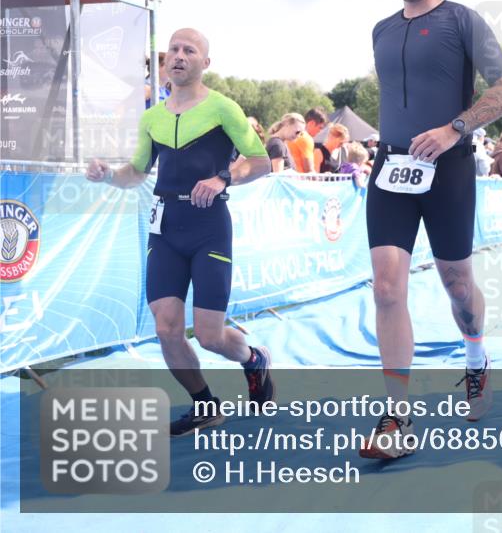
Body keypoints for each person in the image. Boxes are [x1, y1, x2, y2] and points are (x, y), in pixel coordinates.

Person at [360, 0, 502, 459]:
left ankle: (475, 359)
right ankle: (396, 417)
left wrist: (454, 128)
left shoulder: (463, 20)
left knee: (456, 283)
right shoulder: (381, 30)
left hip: (447, 164)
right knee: (386, 287)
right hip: (391, 167)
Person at [86, 28, 274, 436]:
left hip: (209, 228)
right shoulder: (152, 117)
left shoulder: (224, 108)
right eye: (173, 48)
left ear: (205, 63)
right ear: (164, 60)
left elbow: (261, 162)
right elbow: (135, 173)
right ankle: (204, 404)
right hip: (165, 228)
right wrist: (107, 177)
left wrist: (223, 177)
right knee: (166, 327)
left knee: (209, 336)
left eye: (190, 50)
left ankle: (253, 358)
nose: (179, 55)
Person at [287, 108, 327, 173]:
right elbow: (309, 171)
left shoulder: (289, 135)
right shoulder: (306, 138)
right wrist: (324, 178)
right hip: (299, 181)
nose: (320, 131)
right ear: (312, 123)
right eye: (320, 127)